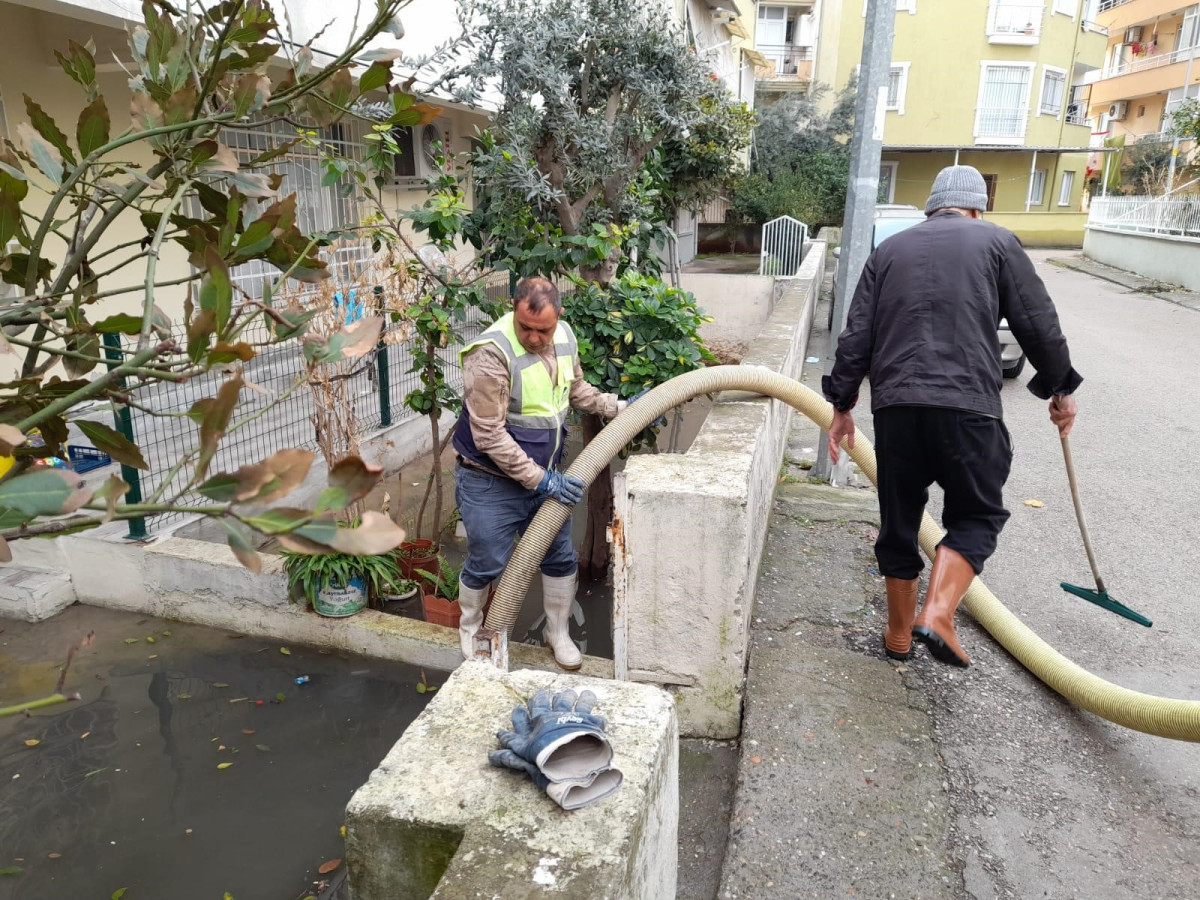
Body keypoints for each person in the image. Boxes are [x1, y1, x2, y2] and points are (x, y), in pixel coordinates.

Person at [823, 165, 1082, 668]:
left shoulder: (889, 251)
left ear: (931, 207)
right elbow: (1036, 322)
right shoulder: (997, 242)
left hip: (897, 409)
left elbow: (856, 336)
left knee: (899, 521)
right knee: (978, 515)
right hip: (968, 408)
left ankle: (898, 636)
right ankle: (936, 614)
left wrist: (842, 405)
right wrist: (1060, 388)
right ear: (976, 208)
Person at [452, 276, 629, 669]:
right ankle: (473, 628)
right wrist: (542, 480)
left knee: (559, 557)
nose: (534, 338)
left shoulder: (564, 336)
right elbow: (488, 436)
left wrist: (615, 406)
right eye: (525, 328)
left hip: (544, 475)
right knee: (487, 559)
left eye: (542, 330)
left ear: (559, 317)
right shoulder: (490, 354)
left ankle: (557, 632)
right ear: (513, 310)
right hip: (490, 480)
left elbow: (575, 389)